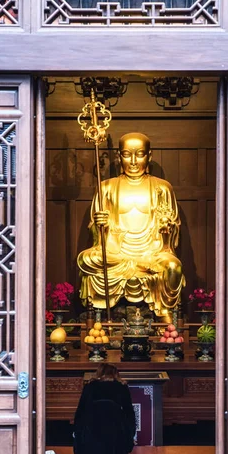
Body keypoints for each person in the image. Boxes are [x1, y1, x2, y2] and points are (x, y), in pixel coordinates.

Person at [77, 132, 185, 319]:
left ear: (149, 156)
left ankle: (164, 313)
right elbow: (98, 241)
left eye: (140, 154)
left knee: (173, 267)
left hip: (151, 254)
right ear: (119, 157)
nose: (133, 161)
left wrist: (167, 228)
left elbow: (170, 241)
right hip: (117, 254)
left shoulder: (162, 188)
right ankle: (101, 318)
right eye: (127, 155)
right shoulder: (106, 188)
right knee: (86, 259)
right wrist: (100, 225)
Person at [73, 363, 136, 454]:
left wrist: (77, 430)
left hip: (92, 425)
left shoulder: (90, 386)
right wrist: (131, 432)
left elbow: (81, 410)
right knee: (118, 445)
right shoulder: (121, 387)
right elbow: (129, 412)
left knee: (91, 444)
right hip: (116, 425)